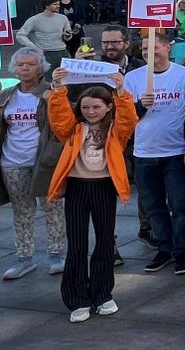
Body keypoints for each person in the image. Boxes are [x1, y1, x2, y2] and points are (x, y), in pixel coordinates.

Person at [44, 71, 138, 321]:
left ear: (108, 108)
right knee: (77, 245)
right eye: (85, 107)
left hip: (104, 187)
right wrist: (57, 87)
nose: (90, 111)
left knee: (105, 242)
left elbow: (129, 118)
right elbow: (58, 117)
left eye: (96, 106)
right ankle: (77, 299)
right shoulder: (73, 130)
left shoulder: (116, 131)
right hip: (76, 187)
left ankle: (103, 294)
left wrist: (120, 93)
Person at [0, 47, 68, 280]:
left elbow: (63, 123)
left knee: (52, 208)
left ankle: (57, 254)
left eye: (30, 64)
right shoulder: (5, 96)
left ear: (41, 68)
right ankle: (24, 257)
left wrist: (55, 100)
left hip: (44, 161)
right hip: (12, 161)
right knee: (22, 211)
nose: (24, 68)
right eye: (20, 64)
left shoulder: (50, 93)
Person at [123, 32, 185, 273]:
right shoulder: (132, 79)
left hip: (176, 153)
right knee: (154, 207)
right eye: (144, 48)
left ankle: (181, 252)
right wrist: (139, 106)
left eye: (154, 47)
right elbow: (125, 118)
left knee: (179, 206)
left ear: (168, 48)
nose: (148, 52)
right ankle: (164, 248)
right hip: (144, 153)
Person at [16, 0, 73, 70]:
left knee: (66, 77)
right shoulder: (34, 20)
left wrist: (67, 35)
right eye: (55, 4)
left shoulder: (63, 18)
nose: (58, 6)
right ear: (46, 6)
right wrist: (33, 47)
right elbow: (20, 35)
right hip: (44, 53)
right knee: (47, 79)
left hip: (62, 51)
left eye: (58, 4)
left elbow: (68, 37)